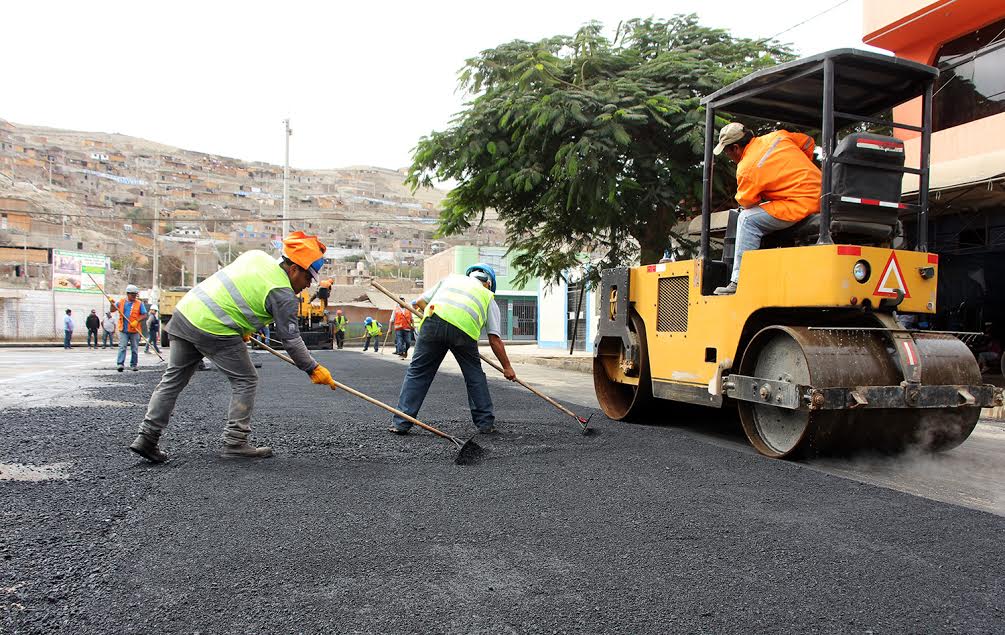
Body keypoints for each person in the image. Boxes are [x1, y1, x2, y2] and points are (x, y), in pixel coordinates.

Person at [128, 231, 337, 463]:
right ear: (294, 268)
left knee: (173, 380)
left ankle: (146, 437)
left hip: (186, 313)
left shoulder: (256, 257)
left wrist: (243, 328)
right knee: (246, 380)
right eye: (308, 278)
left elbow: (238, 291)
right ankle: (235, 442)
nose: (307, 285)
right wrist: (312, 368)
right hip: (214, 328)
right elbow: (291, 339)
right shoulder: (283, 293)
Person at [388, 263, 517, 436]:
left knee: (418, 373)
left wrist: (436, 319)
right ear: (489, 283)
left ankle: (401, 423)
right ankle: (485, 424)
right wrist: (507, 367)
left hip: (433, 324)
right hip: (463, 333)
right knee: (474, 376)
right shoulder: (487, 296)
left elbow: (419, 302)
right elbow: (494, 339)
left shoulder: (450, 280)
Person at [712, 123, 822, 295]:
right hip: (822, 195)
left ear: (736, 147)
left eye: (727, 152)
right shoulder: (777, 136)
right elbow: (808, 142)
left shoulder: (746, 167)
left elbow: (747, 202)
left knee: (746, 219)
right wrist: (797, 168)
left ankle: (738, 281)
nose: (728, 156)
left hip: (800, 203)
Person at [112, 284, 148, 372]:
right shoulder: (121, 302)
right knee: (122, 347)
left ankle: (134, 364)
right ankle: (120, 364)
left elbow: (144, 315)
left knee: (134, 348)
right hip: (123, 330)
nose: (134, 296)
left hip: (134, 330)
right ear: (128, 294)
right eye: (132, 295)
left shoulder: (139, 303)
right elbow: (112, 310)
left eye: (135, 295)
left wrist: (137, 321)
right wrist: (112, 304)